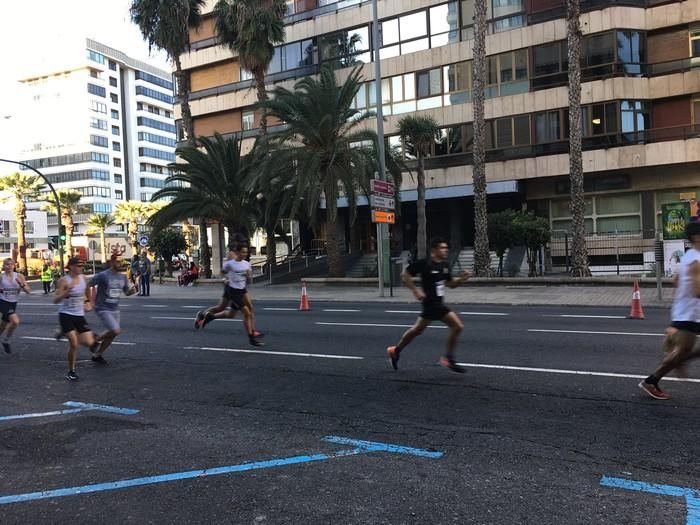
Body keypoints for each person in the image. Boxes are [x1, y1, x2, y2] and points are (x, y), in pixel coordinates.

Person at [386, 238, 471, 373]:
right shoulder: (425, 264)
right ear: (434, 250)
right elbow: (405, 274)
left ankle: (395, 351)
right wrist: (416, 290)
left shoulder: (444, 265)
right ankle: (448, 358)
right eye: (442, 248)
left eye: (446, 248)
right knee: (451, 327)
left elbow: (450, 285)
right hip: (430, 304)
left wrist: (462, 279)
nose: (445, 250)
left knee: (418, 331)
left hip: (438, 304)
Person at [639, 222, 700, 400]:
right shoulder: (695, 260)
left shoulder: (690, 255)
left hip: (687, 311)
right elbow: (697, 291)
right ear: (696, 237)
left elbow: (676, 280)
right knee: (683, 352)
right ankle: (652, 380)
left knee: (684, 351)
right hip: (689, 315)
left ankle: (679, 359)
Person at [195, 245, 263, 347]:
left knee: (231, 314)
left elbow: (248, 276)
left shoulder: (246, 263)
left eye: (246, 252)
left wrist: (248, 276)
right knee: (245, 312)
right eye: (243, 252)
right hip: (232, 290)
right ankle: (251, 337)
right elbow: (223, 271)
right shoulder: (231, 260)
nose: (245, 254)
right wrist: (226, 278)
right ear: (238, 251)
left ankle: (210, 316)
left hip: (242, 290)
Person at [88, 254, 136, 364]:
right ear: (112, 262)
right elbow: (89, 285)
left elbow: (126, 292)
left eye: (121, 262)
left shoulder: (122, 277)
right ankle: (95, 340)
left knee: (113, 334)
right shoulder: (103, 275)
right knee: (115, 330)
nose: (120, 264)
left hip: (114, 308)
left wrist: (132, 291)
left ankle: (97, 355)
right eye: (118, 262)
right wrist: (89, 301)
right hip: (102, 307)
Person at [54, 257, 95, 381]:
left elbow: (87, 291)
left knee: (89, 343)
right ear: (71, 266)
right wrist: (65, 293)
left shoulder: (83, 278)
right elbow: (55, 300)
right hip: (65, 314)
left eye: (82, 265)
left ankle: (64, 331)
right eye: (78, 265)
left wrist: (88, 302)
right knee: (74, 343)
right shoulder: (64, 281)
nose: (80, 268)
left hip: (79, 314)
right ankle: (71, 371)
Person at [0, 258, 31, 353]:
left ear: (14, 265)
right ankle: (6, 340)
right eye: (7, 264)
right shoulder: (1, 277)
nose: (9, 266)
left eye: (11, 264)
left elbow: (28, 291)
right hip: (2, 301)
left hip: (13, 302)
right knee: (15, 321)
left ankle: (5, 340)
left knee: (3, 326)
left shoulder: (19, 276)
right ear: (3, 266)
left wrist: (21, 284)